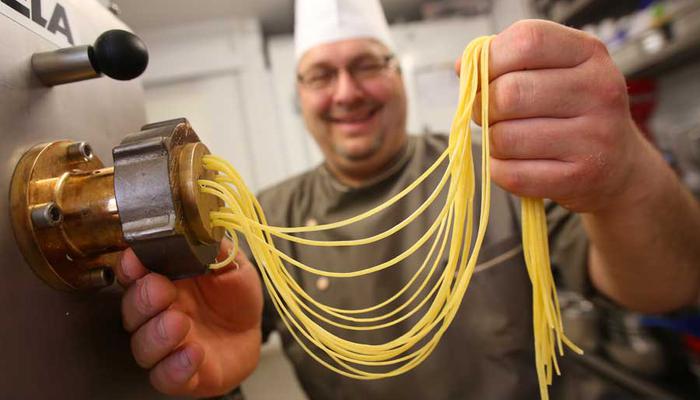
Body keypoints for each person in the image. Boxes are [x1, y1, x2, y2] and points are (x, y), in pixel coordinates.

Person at [116, 0, 700, 398]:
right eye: (321, 75)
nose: (347, 92)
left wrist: (625, 181)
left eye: (367, 65)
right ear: (299, 95)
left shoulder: (500, 168)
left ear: (399, 75)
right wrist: (203, 374)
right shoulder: (266, 222)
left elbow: (668, 283)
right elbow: (222, 332)